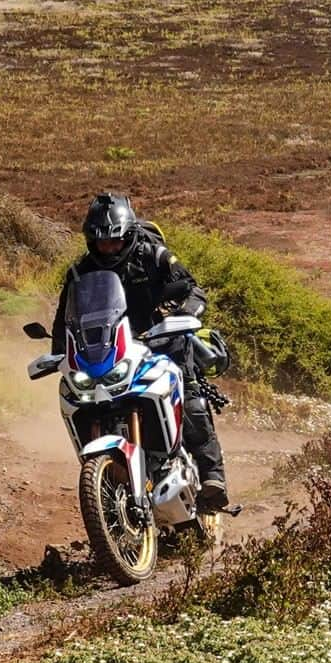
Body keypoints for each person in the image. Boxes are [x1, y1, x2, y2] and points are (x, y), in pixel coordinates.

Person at [52, 193, 229, 511]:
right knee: (84, 400)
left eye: (114, 242)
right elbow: (63, 318)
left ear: (128, 235)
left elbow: (192, 288)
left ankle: (213, 477)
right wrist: (59, 354)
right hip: (111, 349)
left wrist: (183, 315)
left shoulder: (154, 255)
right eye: (100, 243)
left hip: (161, 339)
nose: (108, 248)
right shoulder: (80, 272)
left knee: (189, 395)